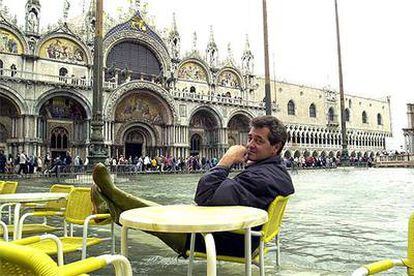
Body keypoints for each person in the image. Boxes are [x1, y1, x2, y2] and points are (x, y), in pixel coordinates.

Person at [91, 115, 294, 258]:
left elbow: (204, 196)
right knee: (163, 212)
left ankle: (111, 199)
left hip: (225, 241)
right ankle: (109, 203)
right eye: (250, 138)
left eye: (258, 140)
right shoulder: (273, 172)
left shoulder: (262, 177)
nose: (250, 145)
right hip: (238, 235)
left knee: (161, 216)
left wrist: (226, 160)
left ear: (275, 147)